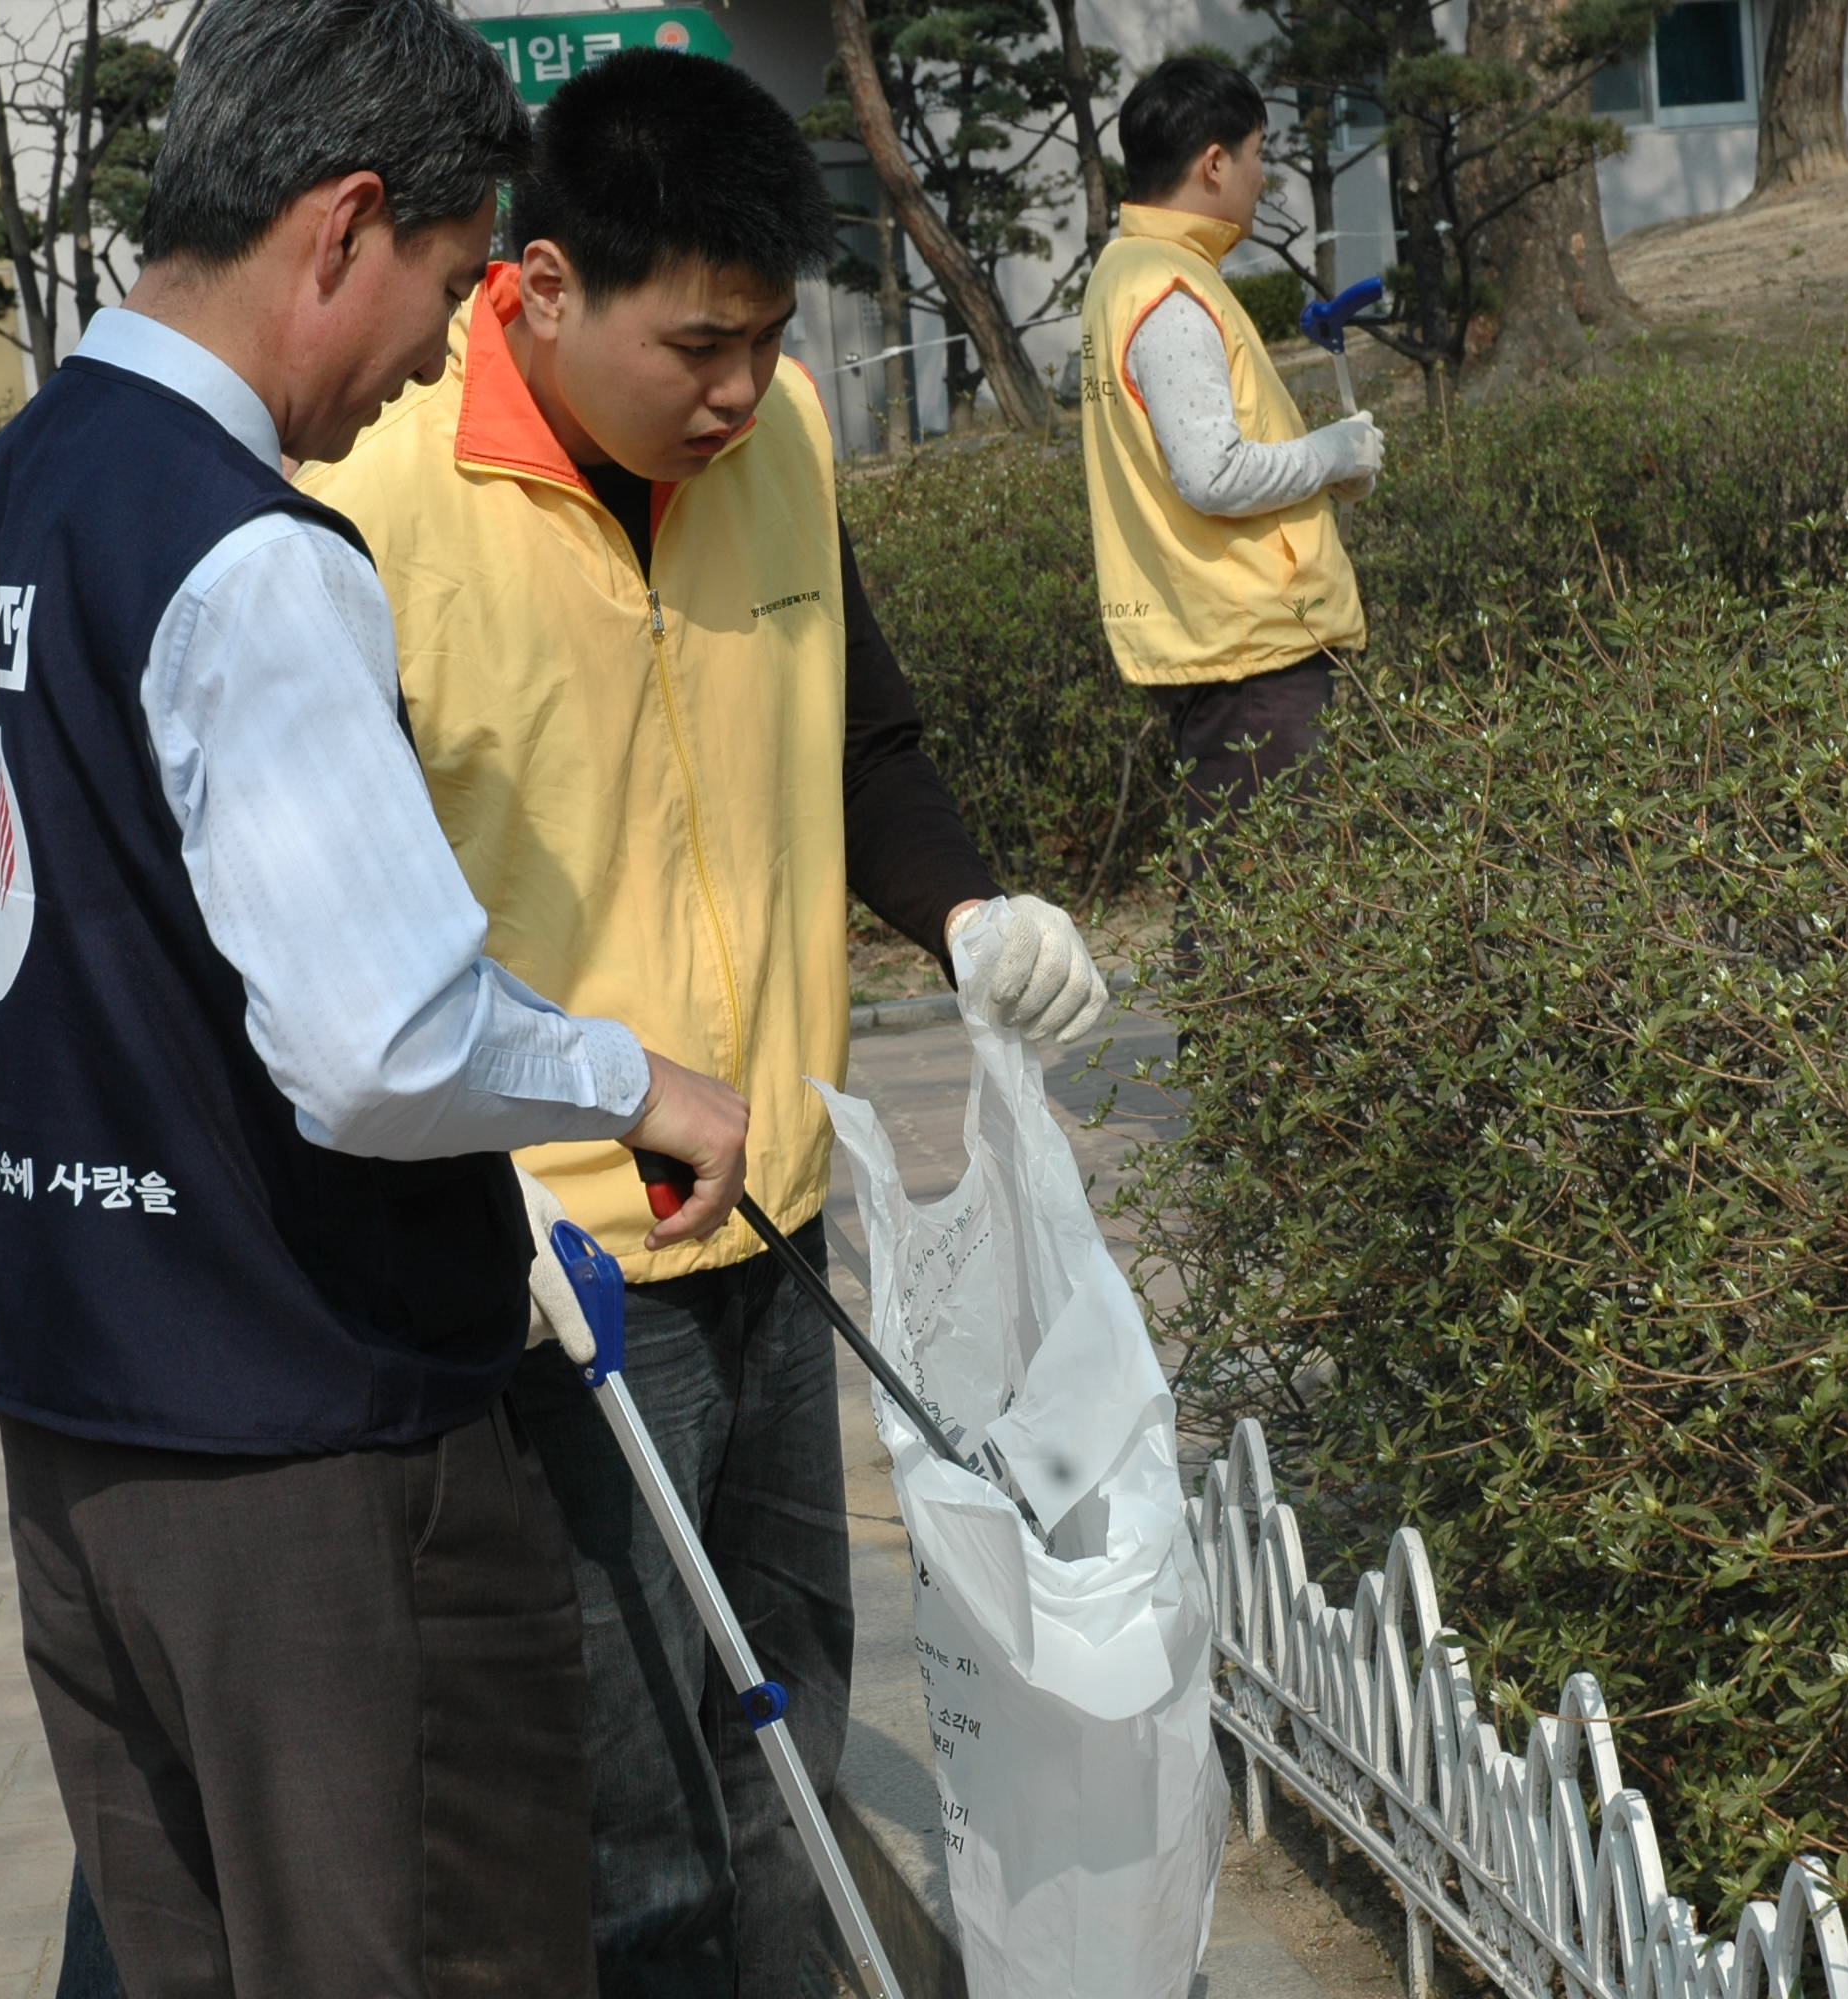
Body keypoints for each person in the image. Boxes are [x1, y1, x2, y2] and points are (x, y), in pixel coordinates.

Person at [0, 2, 751, 1991]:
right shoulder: (248, 554)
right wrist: (636, 1084)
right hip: (309, 1461)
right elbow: (379, 1043)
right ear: (344, 224)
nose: (448, 349)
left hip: (78, 1421)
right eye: (452, 285)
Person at [295, 51, 1113, 1998]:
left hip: (771, 1210)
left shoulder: (786, 441)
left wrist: (972, 908)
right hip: (562, 1269)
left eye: (765, 339)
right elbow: (322, 939)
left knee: (790, 1721)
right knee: (635, 1787)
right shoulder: (371, 495)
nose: (737, 390)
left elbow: (864, 730)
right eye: (698, 346)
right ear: (546, 285)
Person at [1077, 54, 1378, 846]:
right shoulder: (1171, 290)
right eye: (1259, 153)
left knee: (1251, 905)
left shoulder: (1132, 271)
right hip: (1249, 649)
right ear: (1215, 163)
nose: (1262, 174)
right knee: (1263, 918)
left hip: (1224, 638)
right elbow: (1212, 473)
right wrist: (1334, 453)